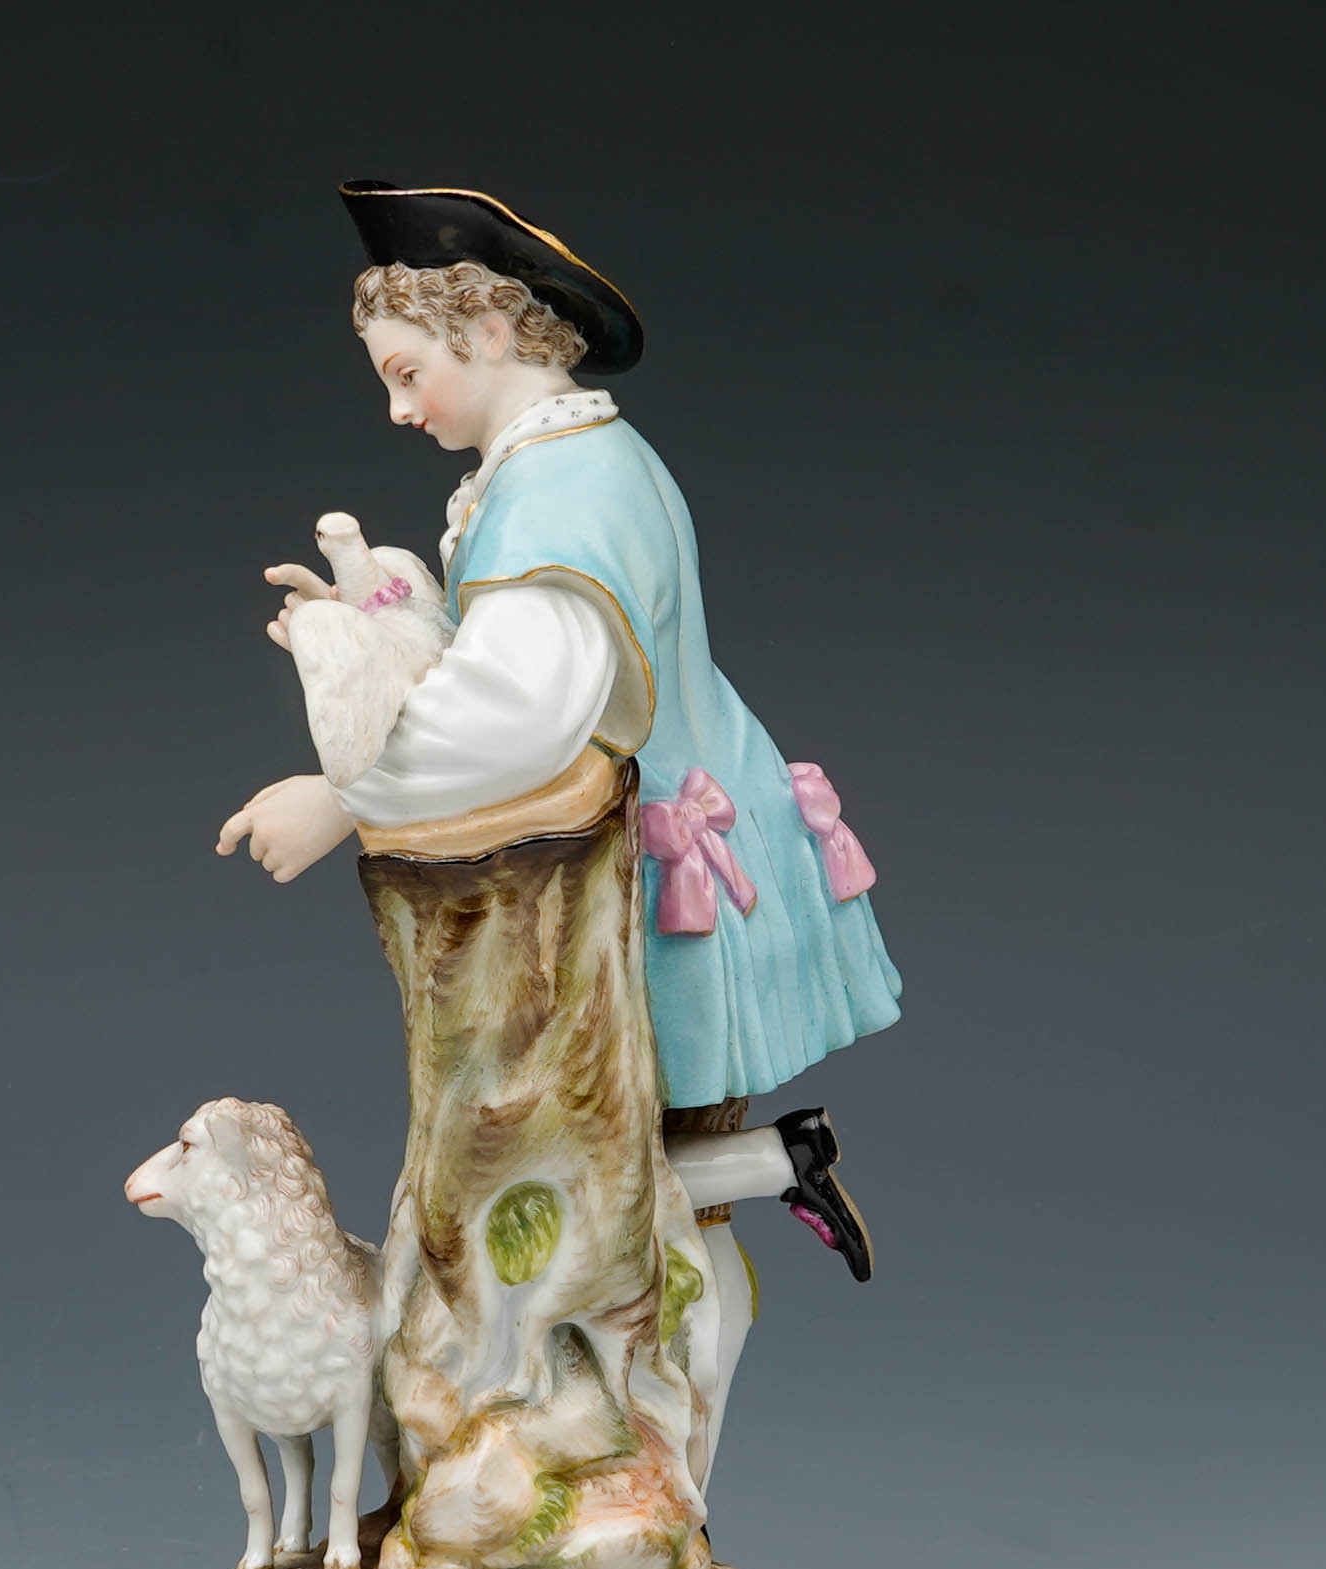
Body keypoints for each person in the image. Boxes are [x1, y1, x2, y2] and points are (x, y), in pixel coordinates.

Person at [218, 181, 902, 1294]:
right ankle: (772, 1175)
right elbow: (501, 660)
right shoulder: (569, 463)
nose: (396, 409)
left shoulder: (559, 494)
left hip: (647, 885)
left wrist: (342, 795)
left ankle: (766, 1183)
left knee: (582, 1180)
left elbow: (517, 711)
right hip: (684, 840)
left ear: (489, 332)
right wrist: (368, 624)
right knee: (633, 1187)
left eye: (407, 373)